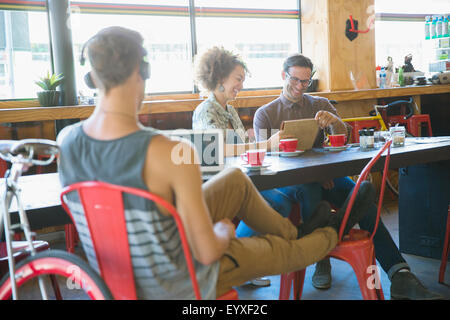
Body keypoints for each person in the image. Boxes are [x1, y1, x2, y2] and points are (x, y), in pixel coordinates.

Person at [57, 27, 370, 299]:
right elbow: (207, 250)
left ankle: (297, 230)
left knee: (235, 182)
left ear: (92, 77)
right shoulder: (168, 152)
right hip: (180, 280)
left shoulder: (67, 141)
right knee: (283, 251)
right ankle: (325, 232)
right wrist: (223, 231)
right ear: (142, 74)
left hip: (114, 277)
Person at [253, 53, 443, 300]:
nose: (300, 86)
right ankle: (323, 258)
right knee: (327, 193)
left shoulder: (318, 104)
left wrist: (334, 122)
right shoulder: (265, 114)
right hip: (294, 184)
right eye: (296, 80)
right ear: (283, 76)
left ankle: (400, 275)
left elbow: (344, 139)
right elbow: (265, 160)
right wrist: (314, 174)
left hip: (328, 178)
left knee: (363, 195)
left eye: (306, 81)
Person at [192, 46, 292, 287]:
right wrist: (266, 144)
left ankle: (240, 263)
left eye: (243, 80)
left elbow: (244, 145)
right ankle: (236, 262)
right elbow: (216, 149)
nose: (241, 85)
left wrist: (266, 146)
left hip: (239, 178)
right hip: (215, 184)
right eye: (238, 79)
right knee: (277, 202)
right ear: (220, 79)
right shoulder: (205, 111)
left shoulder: (230, 110)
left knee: (284, 200)